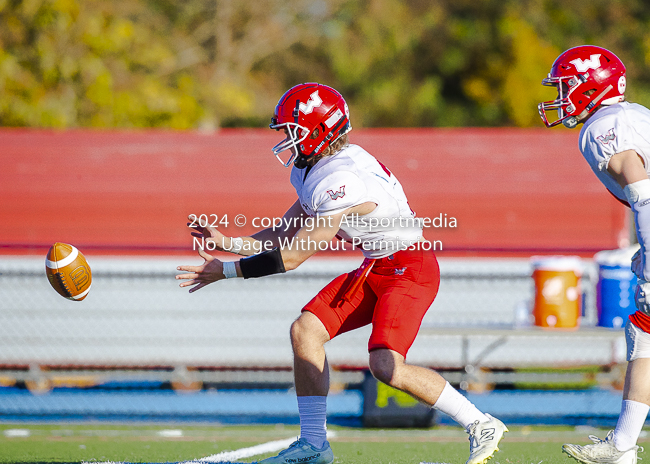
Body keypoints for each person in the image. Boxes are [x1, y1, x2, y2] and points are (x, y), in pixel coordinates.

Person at [177, 82, 508, 464]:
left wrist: (229, 272)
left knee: (386, 366)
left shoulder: (338, 178)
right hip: (376, 265)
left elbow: (294, 256)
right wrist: (229, 241)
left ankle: (479, 422)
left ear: (319, 132)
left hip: (409, 266)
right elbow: (285, 233)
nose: (286, 140)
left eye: (293, 132)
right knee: (306, 331)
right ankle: (314, 445)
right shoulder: (318, 168)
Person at [539, 45, 650, 464]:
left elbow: (644, 195)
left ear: (590, 87)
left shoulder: (605, 125)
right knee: (644, 332)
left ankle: (622, 447)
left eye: (566, 86)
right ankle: (621, 447)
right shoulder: (631, 115)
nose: (559, 97)